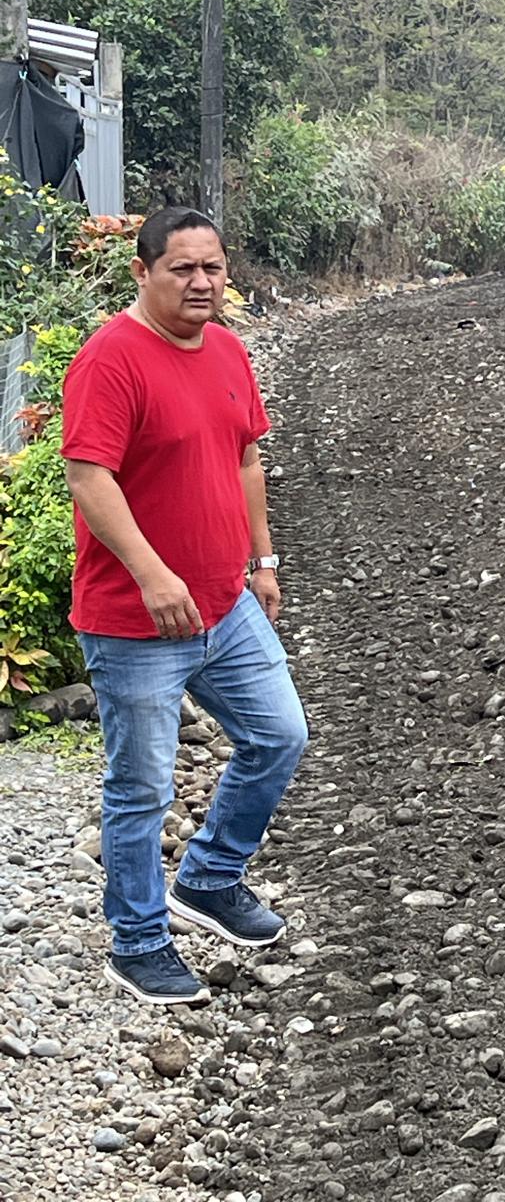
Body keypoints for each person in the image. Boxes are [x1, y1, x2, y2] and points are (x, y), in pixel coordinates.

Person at [60, 206, 308, 1006]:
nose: (201, 283)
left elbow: (244, 458)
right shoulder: (111, 359)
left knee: (280, 735)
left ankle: (207, 878)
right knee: (141, 788)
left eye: (213, 267)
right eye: (182, 269)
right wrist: (151, 574)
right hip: (136, 622)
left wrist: (262, 560)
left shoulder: (227, 349)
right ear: (143, 271)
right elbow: (88, 477)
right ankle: (137, 943)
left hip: (225, 604)